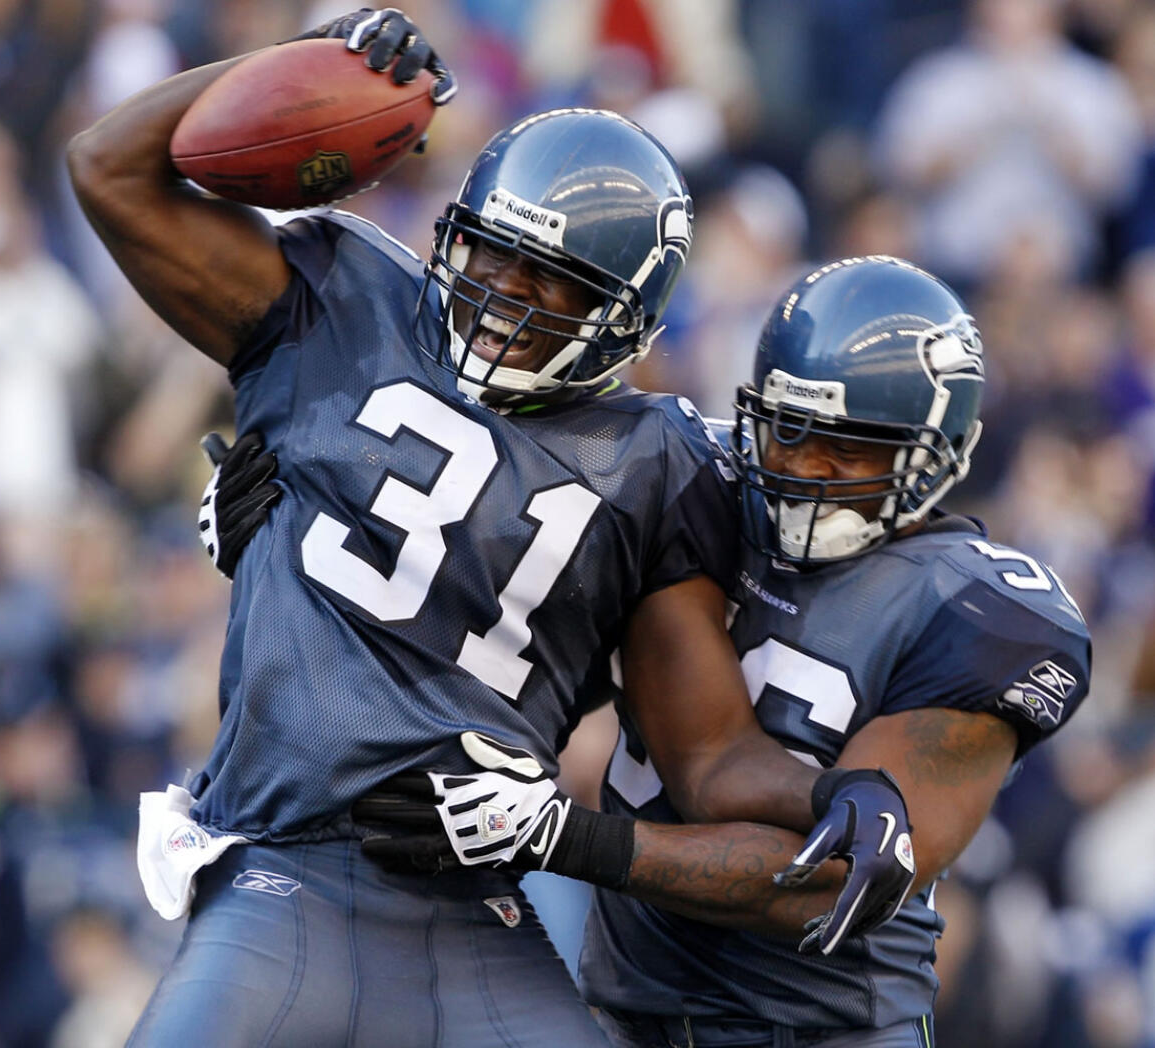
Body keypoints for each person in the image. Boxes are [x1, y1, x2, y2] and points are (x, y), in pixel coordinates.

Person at [68, 9, 913, 1045]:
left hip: (474, 908)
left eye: (549, 280)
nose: (504, 297)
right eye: (490, 255)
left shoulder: (659, 462)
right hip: (279, 866)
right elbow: (106, 163)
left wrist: (844, 788)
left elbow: (708, 755)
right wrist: (304, 63)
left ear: (630, 314)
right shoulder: (342, 299)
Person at [337, 256, 1092, 1046]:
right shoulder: (693, 486)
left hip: (820, 1031)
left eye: (853, 446)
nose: (805, 466)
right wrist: (304, 507)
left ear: (937, 454)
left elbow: (830, 884)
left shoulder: (984, 616)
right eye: (789, 428)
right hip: (626, 1016)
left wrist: (562, 836)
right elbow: (478, 589)